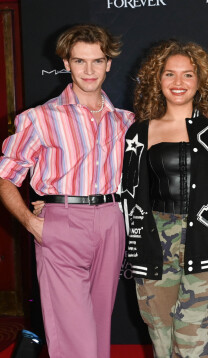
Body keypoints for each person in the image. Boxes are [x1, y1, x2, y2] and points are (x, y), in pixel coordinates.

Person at [0, 24, 134, 358]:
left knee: (99, 332)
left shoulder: (126, 121)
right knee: (78, 345)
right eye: (79, 61)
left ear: (109, 63)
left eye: (97, 61)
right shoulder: (39, 118)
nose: (89, 70)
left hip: (111, 222)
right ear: (66, 63)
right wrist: (32, 225)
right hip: (62, 223)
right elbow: (5, 178)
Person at [121, 40, 208, 358]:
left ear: (201, 81)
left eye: (187, 75)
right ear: (158, 79)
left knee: (194, 346)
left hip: (207, 241)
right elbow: (129, 192)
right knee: (162, 343)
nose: (178, 83)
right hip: (154, 243)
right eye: (170, 74)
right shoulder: (139, 132)